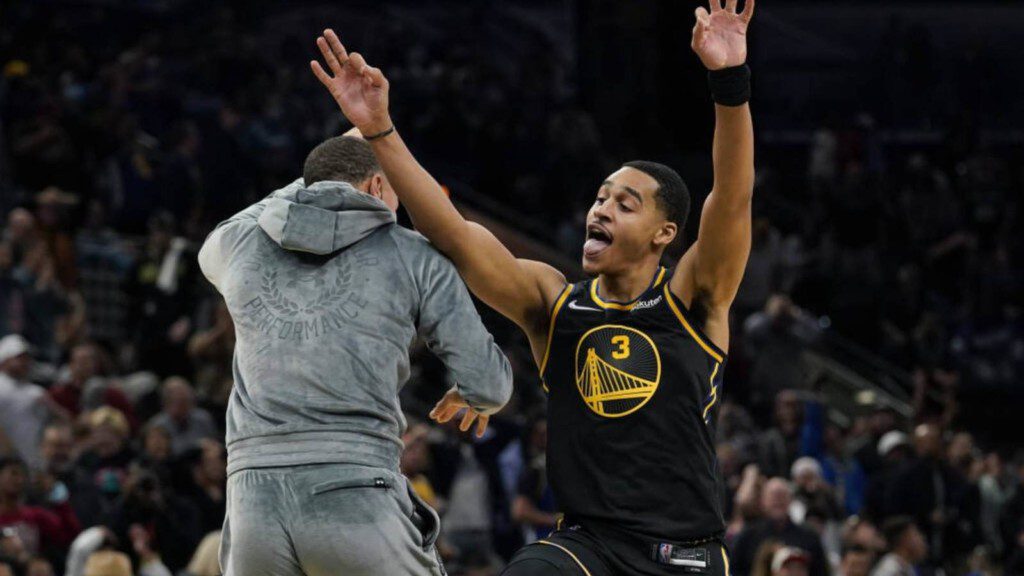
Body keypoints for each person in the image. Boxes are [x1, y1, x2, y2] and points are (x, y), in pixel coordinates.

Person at [308, 0, 755, 572]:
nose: (603, 208)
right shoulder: (554, 302)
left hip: (686, 554)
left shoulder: (693, 297)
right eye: (599, 198)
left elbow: (733, 198)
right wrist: (380, 130)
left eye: (625, 203)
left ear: (664, 233)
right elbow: (457, 237)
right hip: (586, 546)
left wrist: (729, 81)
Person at [197, 135, 513, 575]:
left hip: (253, 502)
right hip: (356, 490)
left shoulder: (238, 243)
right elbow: (491, 382)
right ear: (377, 188)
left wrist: (317, 178)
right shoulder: (413, 254)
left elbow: (227, 229)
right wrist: (478, 398)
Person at [730, 478, 828, 576]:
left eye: (782, 495)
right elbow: (733, 570)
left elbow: (821, 571)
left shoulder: (809, 536)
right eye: (773, 496)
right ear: (762, 501)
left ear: (791, 500)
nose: (778, 500)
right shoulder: (747, 536)